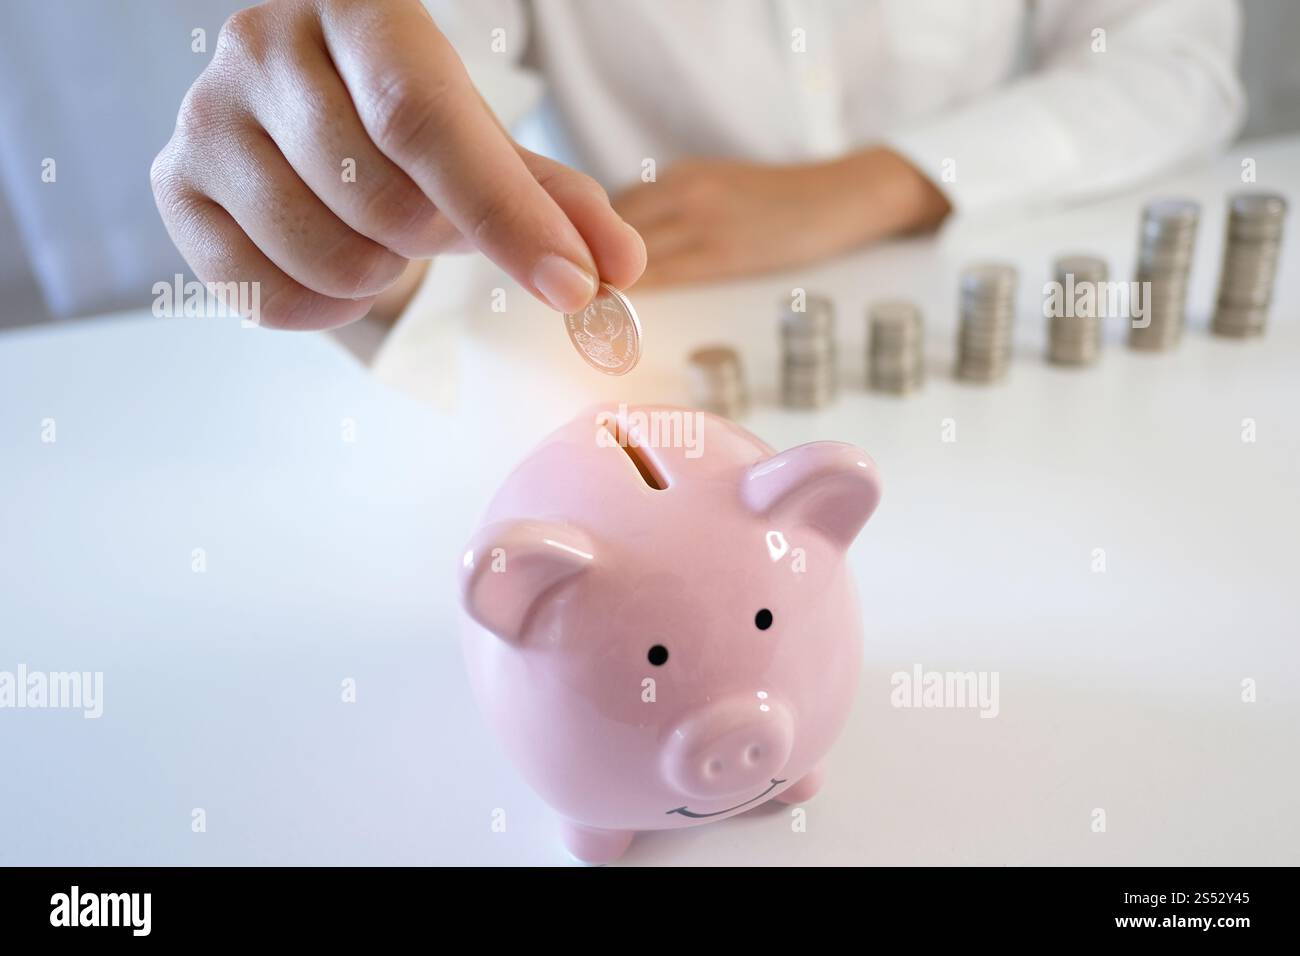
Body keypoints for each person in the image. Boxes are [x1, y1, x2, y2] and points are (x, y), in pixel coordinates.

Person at [149, 0, 1245, 332]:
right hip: (676, 309)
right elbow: (417, 102)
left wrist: (880, 182)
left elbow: (1180, 63)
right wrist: (358, 220)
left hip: (980, 282)